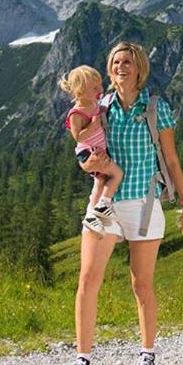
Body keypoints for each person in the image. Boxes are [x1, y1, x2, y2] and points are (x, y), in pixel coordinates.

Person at [57, 41, 183, 365]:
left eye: (128, 62)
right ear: (109, 69)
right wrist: (88, 163)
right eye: (116, 62)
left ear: (139, 69)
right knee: (88, 279)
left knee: (141, 282)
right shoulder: (100, 107)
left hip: (144, 203)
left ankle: (147, 352)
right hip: (105, 201)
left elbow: (172, 158)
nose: (121, 67)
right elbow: (84, 152)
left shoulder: (155, 107)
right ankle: (82, 360)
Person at [58, 65, 123, 237]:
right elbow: (78, 137)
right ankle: (103, 204)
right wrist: (94, 125)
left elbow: (98, 110)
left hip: (97, 150)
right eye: (94, 88)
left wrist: (101, 111)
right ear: (79, 92)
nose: (100, 90)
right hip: (89, 152)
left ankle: (92, 215)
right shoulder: (76, 113)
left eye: (100, 85)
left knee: (100, 181)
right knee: (117, 174)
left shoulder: (93, 104)